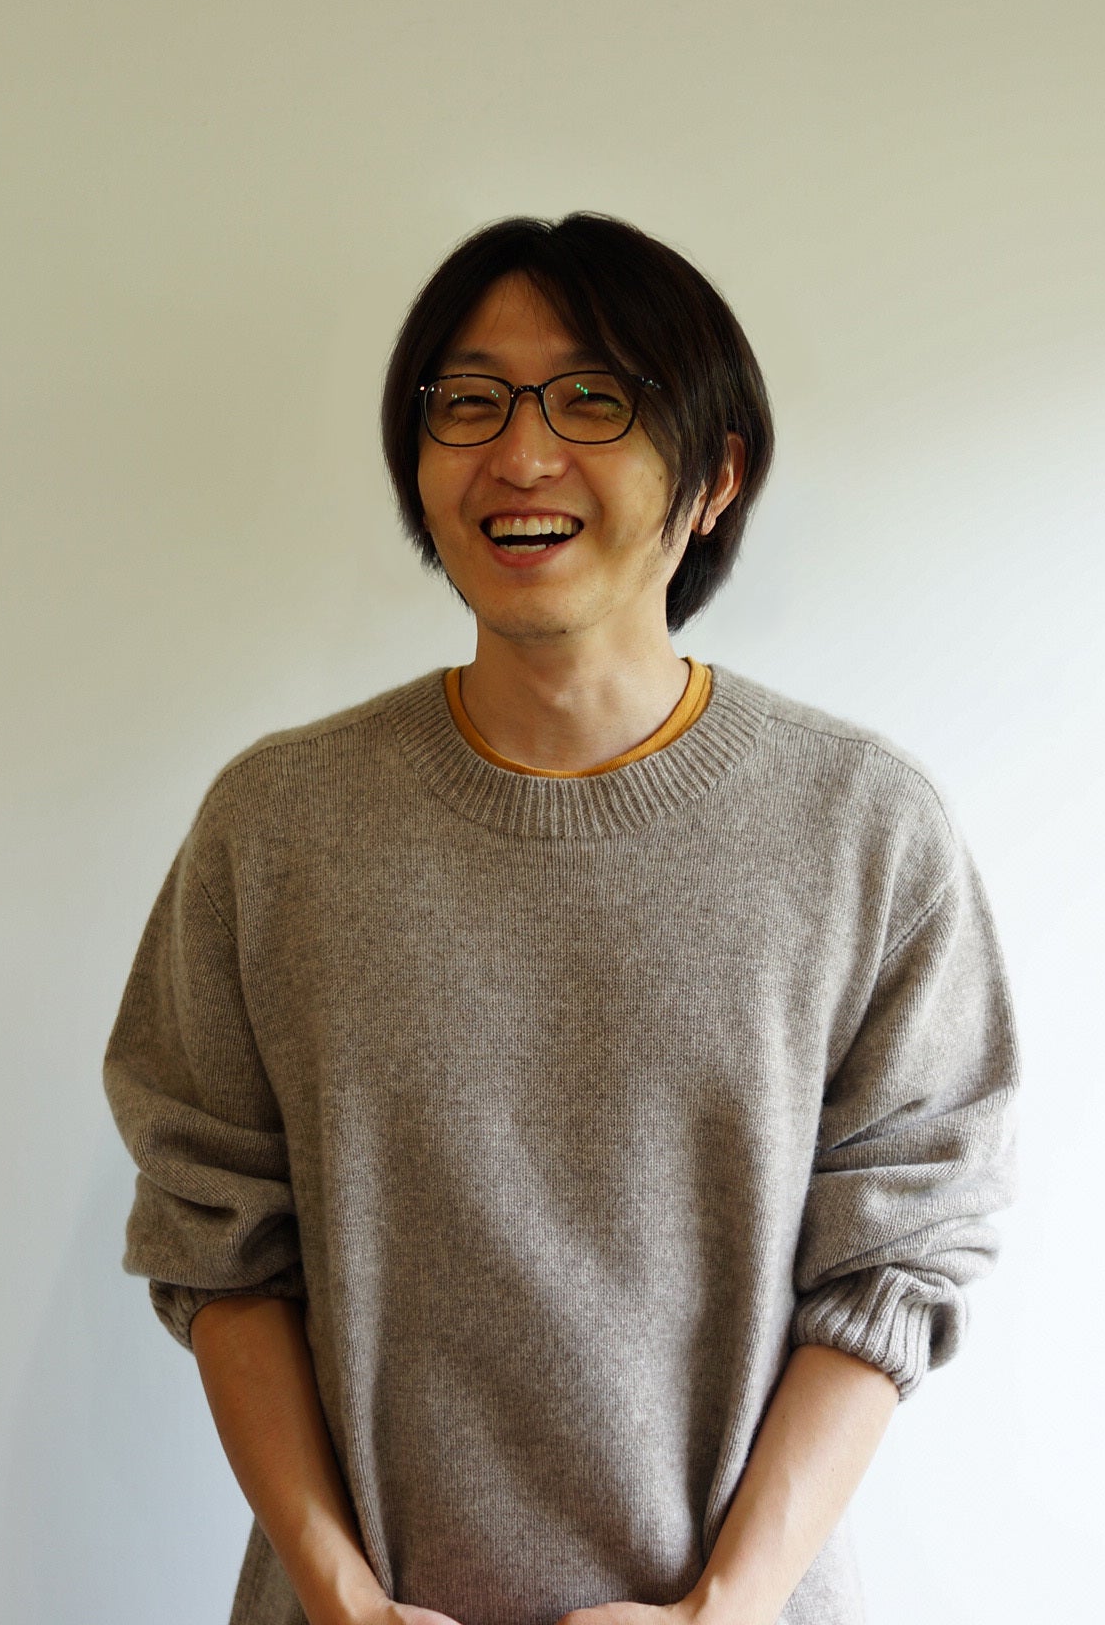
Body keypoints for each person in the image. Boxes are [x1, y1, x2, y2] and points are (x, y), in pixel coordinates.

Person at [103, 213, 1020, 1625]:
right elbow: (214, 1237)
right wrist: (339, 1595)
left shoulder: (861, 827)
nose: (521, 456)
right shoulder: (276, 825)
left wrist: (727, 1606)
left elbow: (898, 1258)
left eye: (593, 399)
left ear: (717, 474)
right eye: (468, 401)